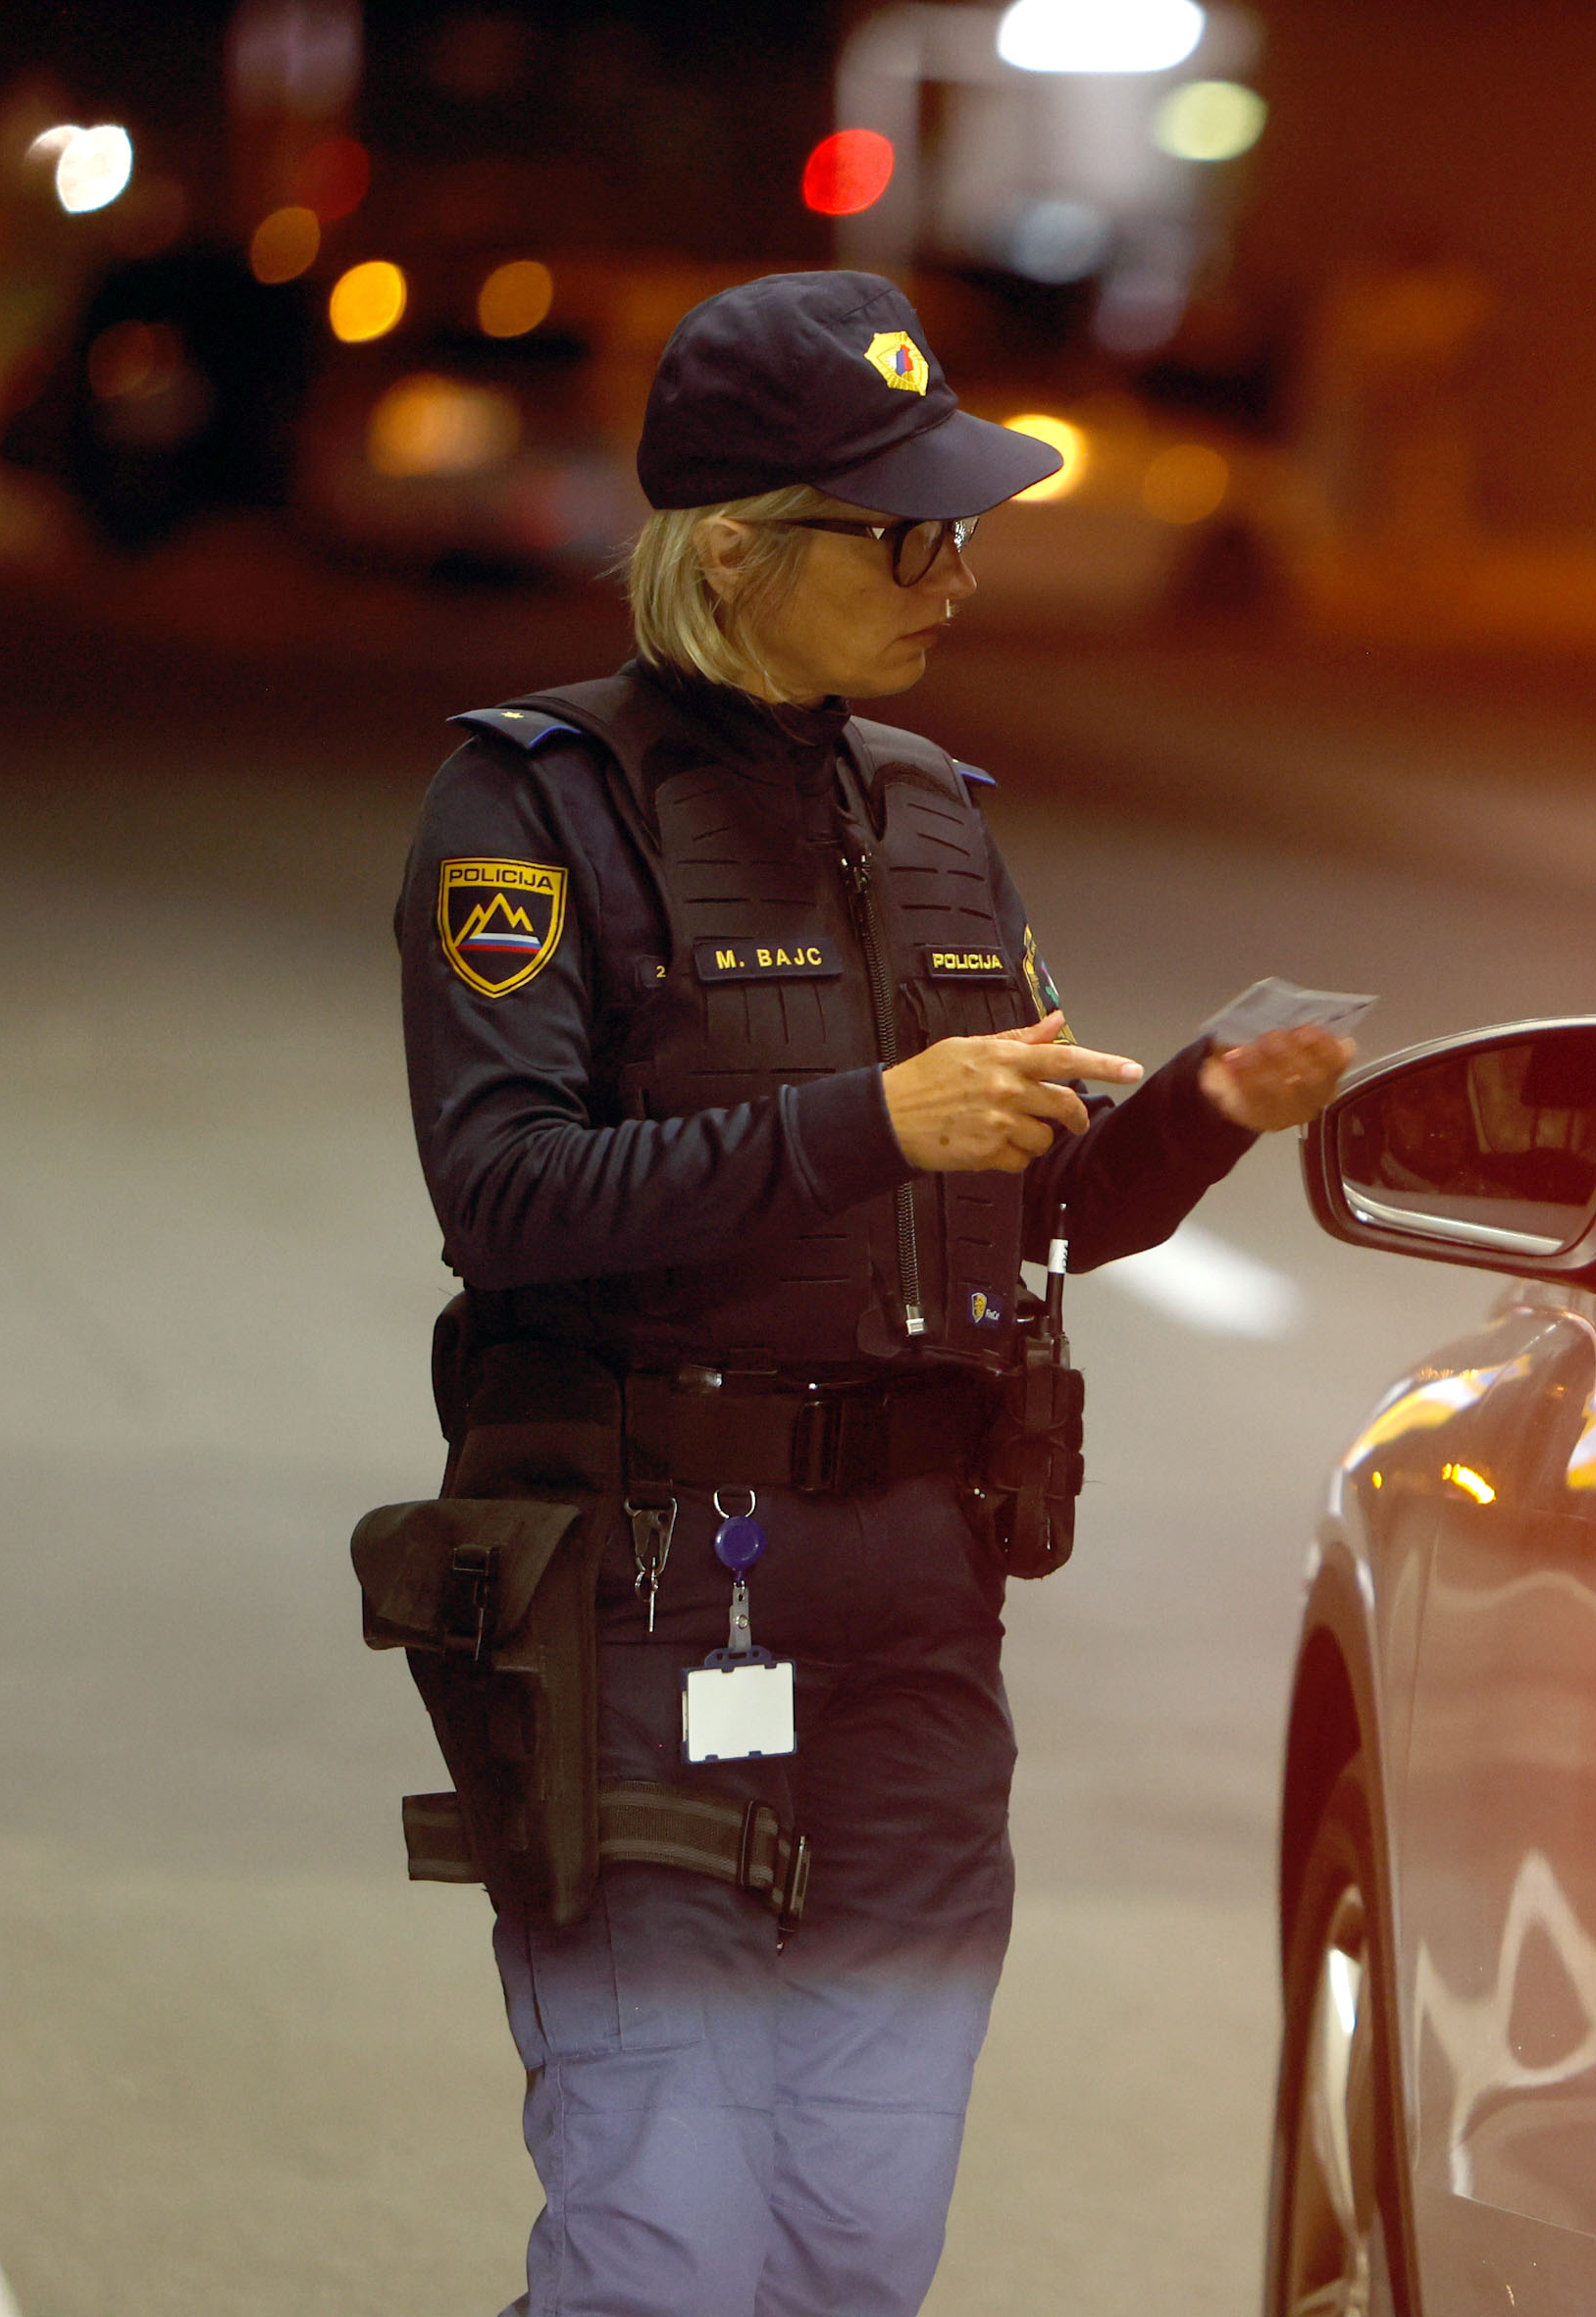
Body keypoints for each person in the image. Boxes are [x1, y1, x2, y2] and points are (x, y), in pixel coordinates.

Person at [390, 270, 1349, 2317]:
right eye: (904, 534)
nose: (955, 575)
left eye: (960, 530)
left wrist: (1194, 1111)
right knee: (663, 2229)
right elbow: (506, 1192)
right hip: (646, 1598)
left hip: (916, 1621)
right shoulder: (535, 810)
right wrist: (868, 1121)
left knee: (853, 2242)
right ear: (737, 547)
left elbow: (1022, 1217)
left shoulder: (925, 811)